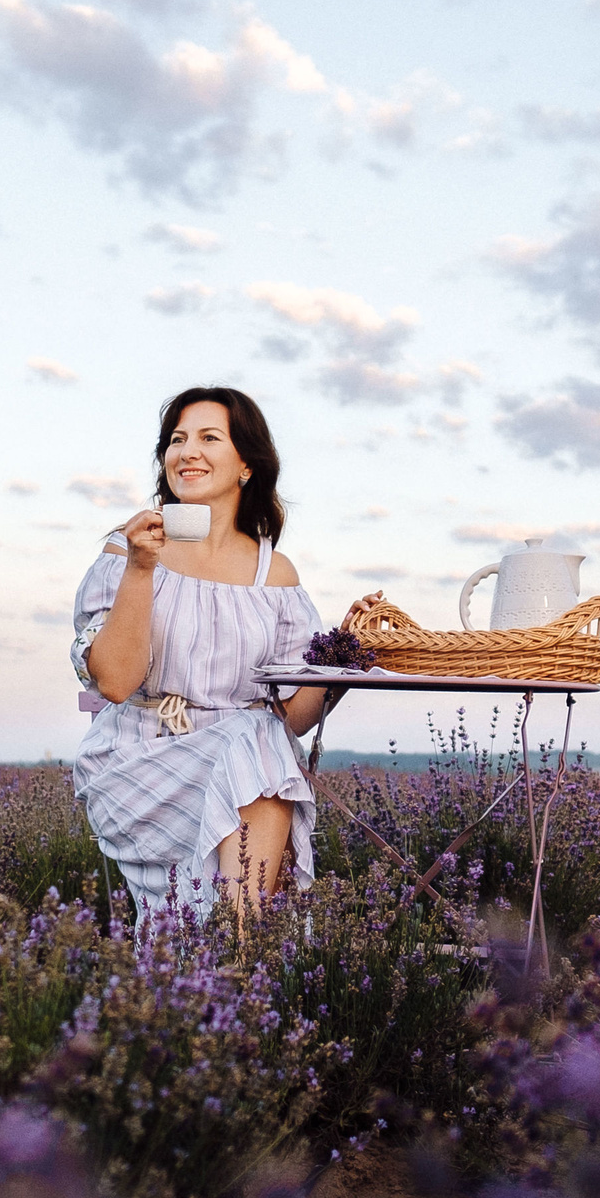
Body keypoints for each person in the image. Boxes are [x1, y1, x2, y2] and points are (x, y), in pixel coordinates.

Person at [69, 386, 381, 920]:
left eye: (209, 438)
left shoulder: (273, 574)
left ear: (246, 465)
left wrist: (342, 657)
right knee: (258, 738)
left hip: (249, 772)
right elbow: (115, 683)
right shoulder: (129, 549)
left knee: (259, 739)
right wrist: (141, 568)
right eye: (177, 440)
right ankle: (245, 942)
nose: (187, 451)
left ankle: (232, 944)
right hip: (140, 761)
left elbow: (292, 717)